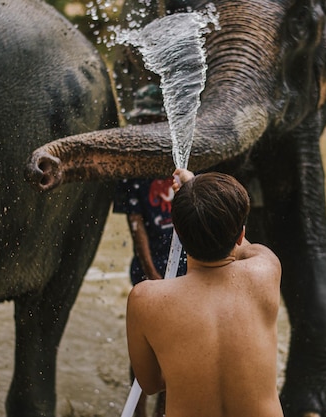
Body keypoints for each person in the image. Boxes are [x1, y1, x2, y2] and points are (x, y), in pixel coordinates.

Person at [126, 168, 284, 417]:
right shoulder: (266, 269)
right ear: (241, 233)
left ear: (176, 232)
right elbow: (241, 245)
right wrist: (196, 189)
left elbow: (150, 383)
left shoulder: (145, 299)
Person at [113, 84, 187, 417]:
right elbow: (136, 223)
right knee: (145, 352)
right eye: (145, 123)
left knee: (179, 353)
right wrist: (153, 275)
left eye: (156, 121)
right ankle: (139, 411)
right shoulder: (133, 167)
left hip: (187, 272)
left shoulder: (182, 162)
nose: (149, 129)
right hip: (149, 270)